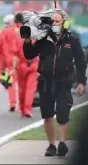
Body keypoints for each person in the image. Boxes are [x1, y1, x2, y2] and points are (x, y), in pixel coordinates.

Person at [23, 11, 87, 157]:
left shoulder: (72, 40)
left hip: (64, 81)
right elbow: (29, 54)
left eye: (57, 21)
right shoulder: (44, 40)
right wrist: (27, 41)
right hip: (46, 81)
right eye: (52, 22)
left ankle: (63, 143)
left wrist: (82, 82)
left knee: (63, 114)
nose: (54, 24)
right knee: (47, 114)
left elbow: (80, 62)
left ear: (64, 23)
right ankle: (51, 145)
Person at [1, 14, 18, 112]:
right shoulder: (19, 30)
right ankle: (25, 104)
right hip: (20, 57)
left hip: (8, 58)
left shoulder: (4, 31)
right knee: (24, 83)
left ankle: (13, 102)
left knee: (11, 82)